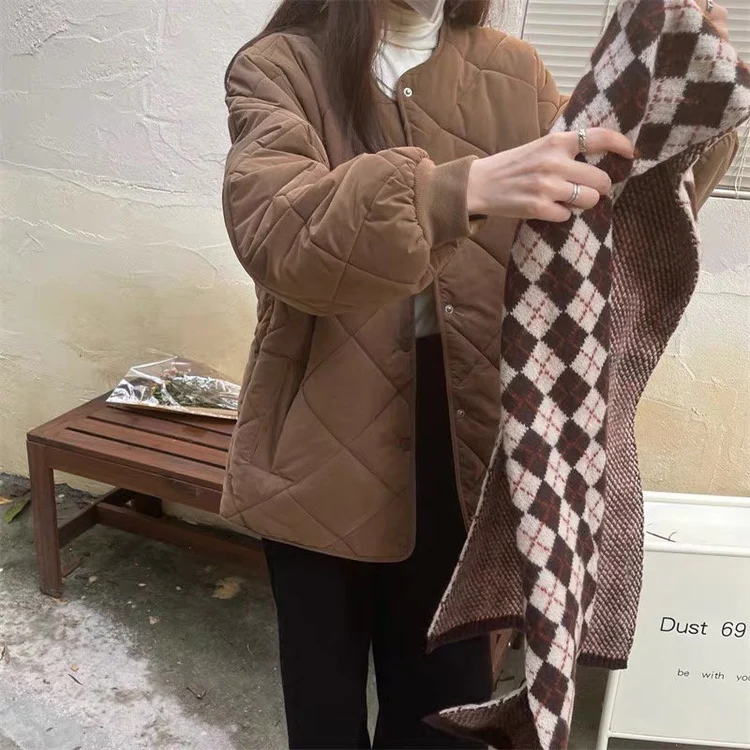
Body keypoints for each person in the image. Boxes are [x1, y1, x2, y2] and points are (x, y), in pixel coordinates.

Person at [219, 1, 736, 747]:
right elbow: (278, 234)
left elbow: (599, 214)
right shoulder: (279, 67)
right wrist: (455, 191)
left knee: (444, 714)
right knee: (323, 711)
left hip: (474, 440)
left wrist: (683, 94)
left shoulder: (513, 69)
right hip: (319, 441)